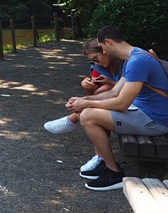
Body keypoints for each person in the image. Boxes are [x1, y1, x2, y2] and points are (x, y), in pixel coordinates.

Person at [64, 26, 168, 191]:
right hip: (145, 114)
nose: (105, 53)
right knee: (87, 111)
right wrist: (83, 99)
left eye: (103, 49)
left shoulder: (137, 62)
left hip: (154, 121)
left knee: (88, 115)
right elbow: (115, 92)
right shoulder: (135, 56)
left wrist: (87, 104)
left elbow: (121, 103)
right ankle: (106, 164)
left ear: (108, 42)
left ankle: (114, 172)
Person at [43, 38, 123, 173]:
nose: (97, 63)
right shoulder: (97, 68)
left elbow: (127, 89)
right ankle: (100, 157)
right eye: (93, 61)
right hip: (112, 100)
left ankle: (71, 120)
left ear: (105, 50)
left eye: (97, 58)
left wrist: (111, 82)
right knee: (100, 96)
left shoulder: (125, 63)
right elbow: (95, 93)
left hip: (130, 103)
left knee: (100, 99)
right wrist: (86, 87)